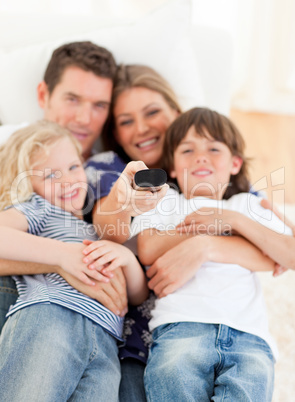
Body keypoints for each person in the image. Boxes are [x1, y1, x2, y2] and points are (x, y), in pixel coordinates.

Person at [131, 107, 294, 401]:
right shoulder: (166, 201)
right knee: (174, 382)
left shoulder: (246, 205)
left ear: (235, 163)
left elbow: (286, 255)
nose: (200, 156)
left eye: (214, 148)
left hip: (249, 337)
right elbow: (148, 248)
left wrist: (229, 221)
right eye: (188, 150)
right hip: (181, 328)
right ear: (172, 166)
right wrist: (209, 232)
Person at [0, 121, 149, 401]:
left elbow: (138, 296)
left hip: (106, 344)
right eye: (50, 176)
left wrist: (127, 259)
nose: (68, 181)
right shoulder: (39, 209)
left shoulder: (99, 229)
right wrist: (62, 255)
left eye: (72, 167)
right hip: (51, 318)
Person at [0, 40, 127, 333]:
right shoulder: (8, 147)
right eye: (72, 99)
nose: (84, 119)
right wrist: (59, 261)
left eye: (99, 105)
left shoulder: (104, 167)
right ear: (44, 95)